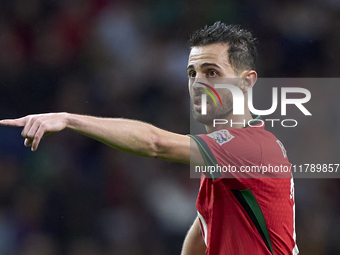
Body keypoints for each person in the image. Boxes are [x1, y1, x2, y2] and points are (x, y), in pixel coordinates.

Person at [0, 22, 298, 255]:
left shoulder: (252, 147)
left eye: (212, 72)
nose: (198, 83)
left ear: (247, 82)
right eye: (192, 73)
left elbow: (156, 143)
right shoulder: (223, 160)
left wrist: (69, 119)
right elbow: (203, 230)